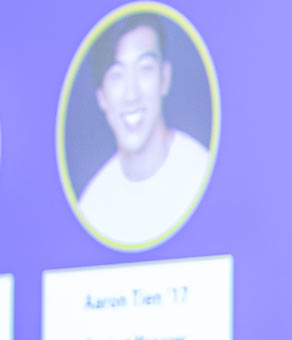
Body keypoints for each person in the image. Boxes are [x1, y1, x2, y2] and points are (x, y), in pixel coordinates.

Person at [75, 11, 212, 245]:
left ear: (165, 78)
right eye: (117, 74)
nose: (131, 94)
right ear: (101, 97)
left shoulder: (200, 173)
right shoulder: (92, 204)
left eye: (145, 68)